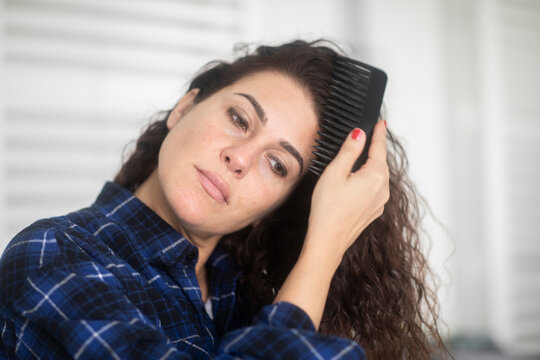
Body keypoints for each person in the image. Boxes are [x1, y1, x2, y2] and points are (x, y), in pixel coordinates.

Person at [0, 40, 447, 359]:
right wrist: (325, 248)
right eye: (239, 117)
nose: (240, 158)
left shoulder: (245, 294)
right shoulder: (55, 255)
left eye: (277, 165)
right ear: (184, 107)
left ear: (279, 206)